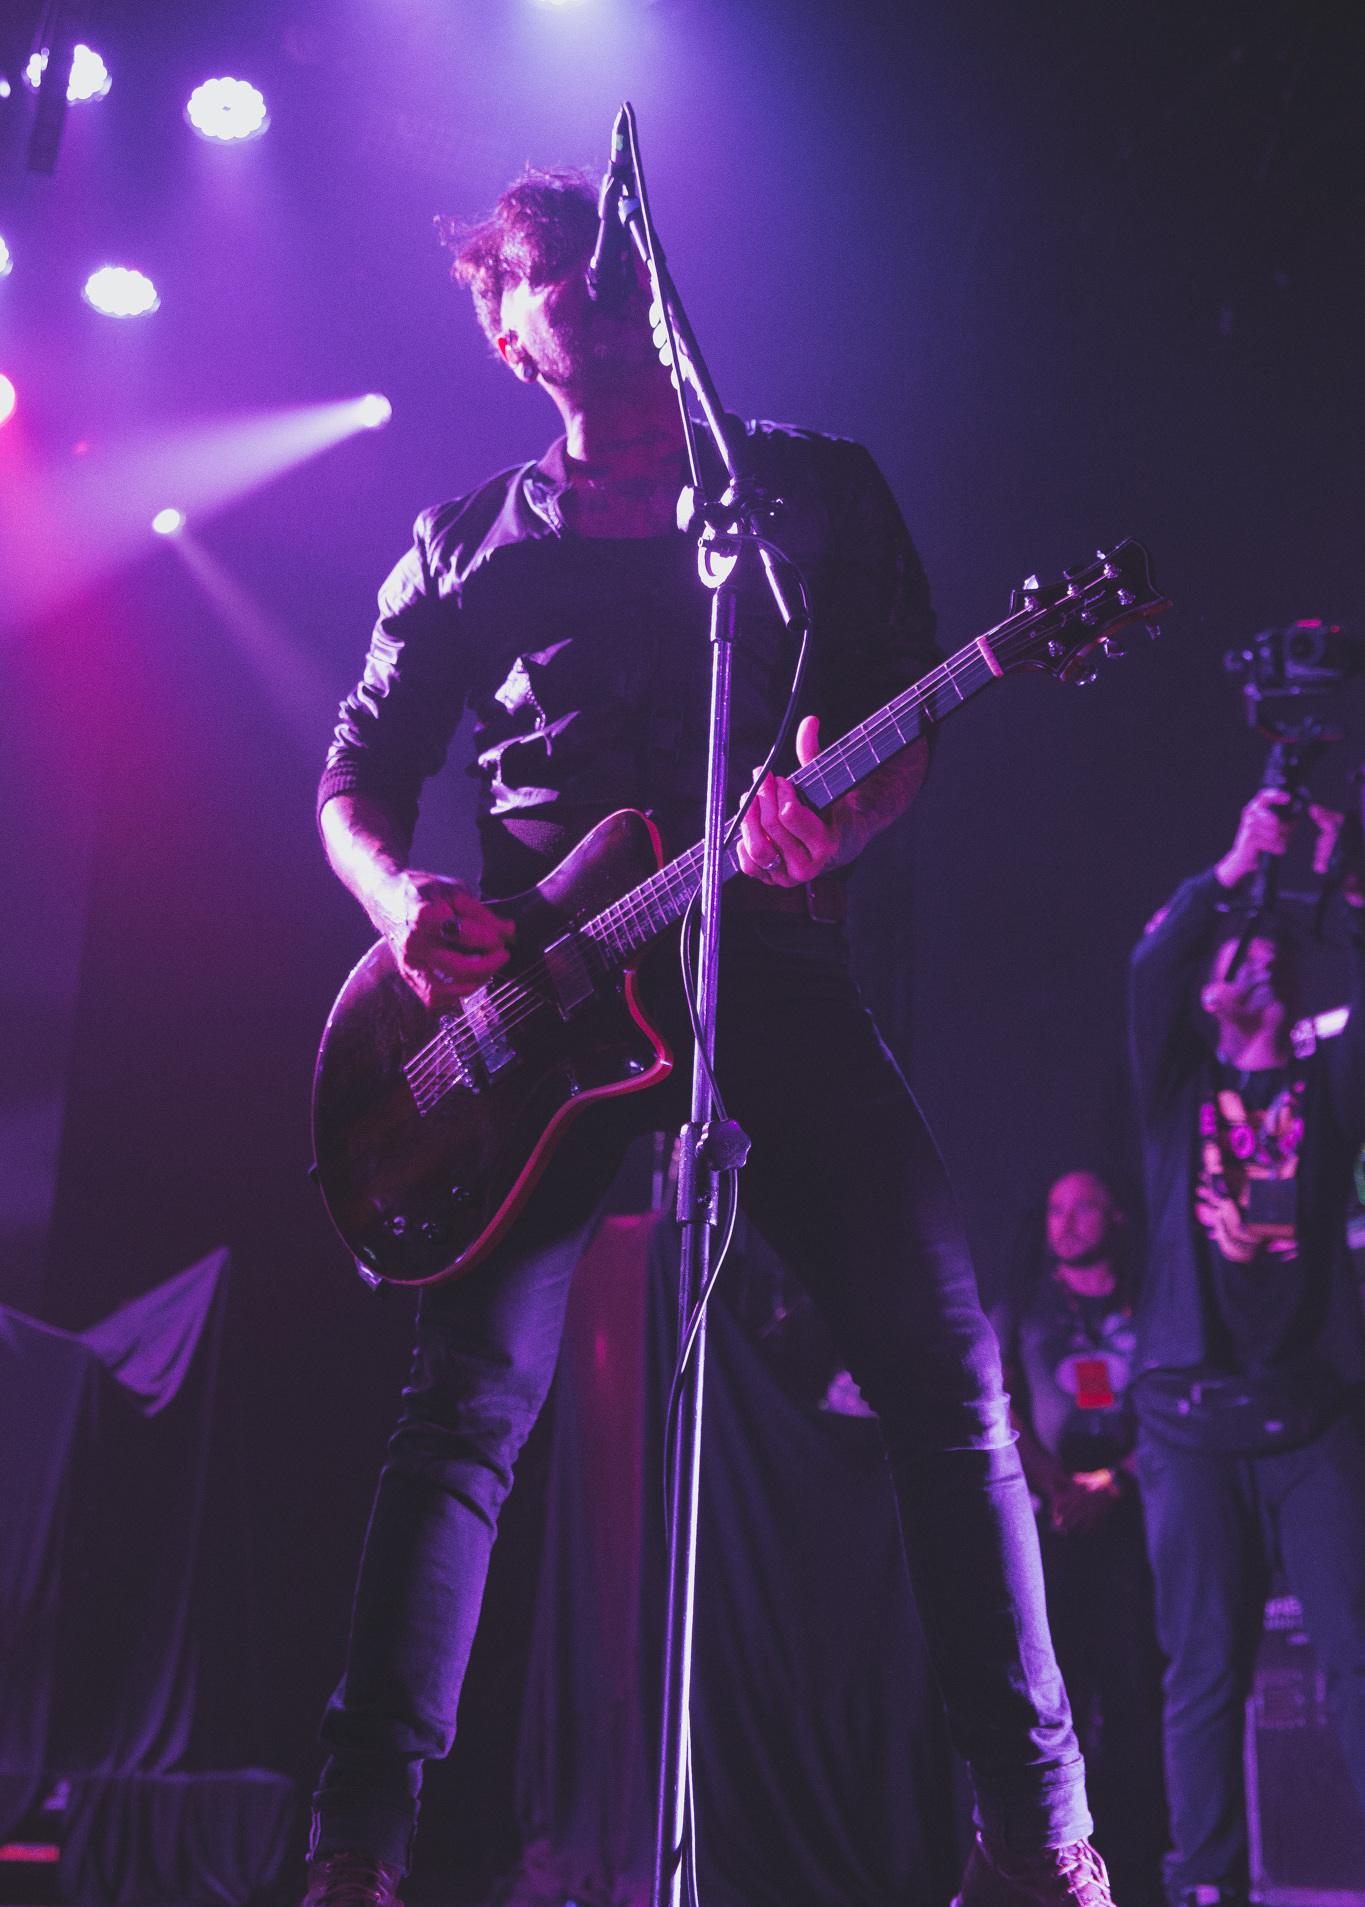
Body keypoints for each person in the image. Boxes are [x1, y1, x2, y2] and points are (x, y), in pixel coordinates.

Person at [305, 168, 1112, 1907]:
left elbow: (898, 722)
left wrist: (841, 814)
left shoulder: (806, 494)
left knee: (951, 1378)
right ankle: (356, 1853)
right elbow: (356, 772)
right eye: (555, 274)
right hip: (533, 1007)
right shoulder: (462, 545)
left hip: (768, 959)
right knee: (461, 1418)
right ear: (502, 327)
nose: (598, 289)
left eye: (620, 261)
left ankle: (1042, 1835)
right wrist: (397, 899)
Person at [1128, 783, 1365, 1906]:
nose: (1258, 965)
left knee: (1354, 1652)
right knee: (1205, 1670)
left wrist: (1339, 893)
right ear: (1210, 992)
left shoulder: (1328, 1085)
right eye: (1239, 956)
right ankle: (1206, 1886)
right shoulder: (1179, 1088)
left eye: (1274, 956)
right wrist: (1230, 872)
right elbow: (1149, 969)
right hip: (1188, 1414)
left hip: (1308, 1410)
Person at [992, 1171, 1168, 1904]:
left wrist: (1116, 1482)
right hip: (1052, 1526)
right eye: (1054, 1208)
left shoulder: (1155, 1302)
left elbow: (1176, 1397)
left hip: (1138, 1523)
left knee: (1136, 1694)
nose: (1065, 1221)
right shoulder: (1023, 1308)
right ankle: (1064, 1866)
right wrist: (1056, 1487)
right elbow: (996, 1400)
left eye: (1083, 1205)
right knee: (1058, 1699)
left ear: (1116, 1217)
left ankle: (1143, 1869)